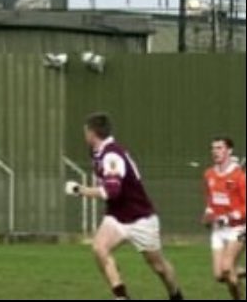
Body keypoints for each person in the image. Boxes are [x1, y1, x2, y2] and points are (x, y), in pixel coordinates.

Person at [65, 112, 183, 301]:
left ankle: (176, 295)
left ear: (92, 132)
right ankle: (121, 296)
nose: (84, 136)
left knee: (158, 267)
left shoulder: (112, 155)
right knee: (99, 247)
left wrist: (80, 190)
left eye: (85, 131)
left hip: (140, 217)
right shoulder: (99, 152)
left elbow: (111, 191)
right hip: (118, 216)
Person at [202, 136, 245, 299]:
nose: (215, 151)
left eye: (220, 148)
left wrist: (228, 217)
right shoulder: (208, 174)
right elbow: (210, 200)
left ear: (229, 151)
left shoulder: (239, 176)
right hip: (218, 230)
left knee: (228, 268)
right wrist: (208, 213)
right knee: (220, 275)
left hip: (239, 227)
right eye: (213, 148)